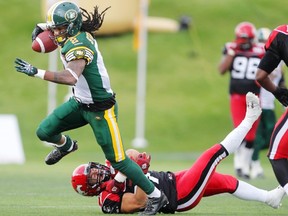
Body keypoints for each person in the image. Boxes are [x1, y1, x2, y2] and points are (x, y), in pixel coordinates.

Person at [13, 1, 167, 215]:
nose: (55, 33)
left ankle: (156, 196)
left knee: (119, 161)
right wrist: (42, 27)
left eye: (59, 29)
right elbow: (52, 29)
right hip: (79, 103)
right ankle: (67, 146)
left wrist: (36, 72)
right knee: (44, 131)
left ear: (72, 27)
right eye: (54, 28)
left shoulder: (80, 45)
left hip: (101, 110)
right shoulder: (70, 31)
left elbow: (70, 77)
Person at [71, 93, 286, 214]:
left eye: (93, 170)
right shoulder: (107, 200)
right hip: (179, 195)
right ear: (90, 189)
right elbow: (139, 202)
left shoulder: (112, 166)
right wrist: (139, 172)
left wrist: (124, 171)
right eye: (93, 178)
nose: (98, 172)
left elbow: (130, 152)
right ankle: (250, 119)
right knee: (212, 155)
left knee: (225, 182)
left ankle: (270, 198)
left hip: (173, 178)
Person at [218, 21, 265, 179]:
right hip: (237, 95)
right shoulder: (231, 49)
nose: (244, 43)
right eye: (242, 39)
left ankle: (245, 164)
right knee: (240, 129)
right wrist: (231, 53)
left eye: (247, 39)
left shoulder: (260, 50)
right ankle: (240, 165)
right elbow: (222, 70)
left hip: (255, 95)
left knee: (251, 134)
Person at [256, 24, 288, 196]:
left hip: (266, 98)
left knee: (277, 154)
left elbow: (260, 76)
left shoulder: (281, 34)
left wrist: (278, 92)